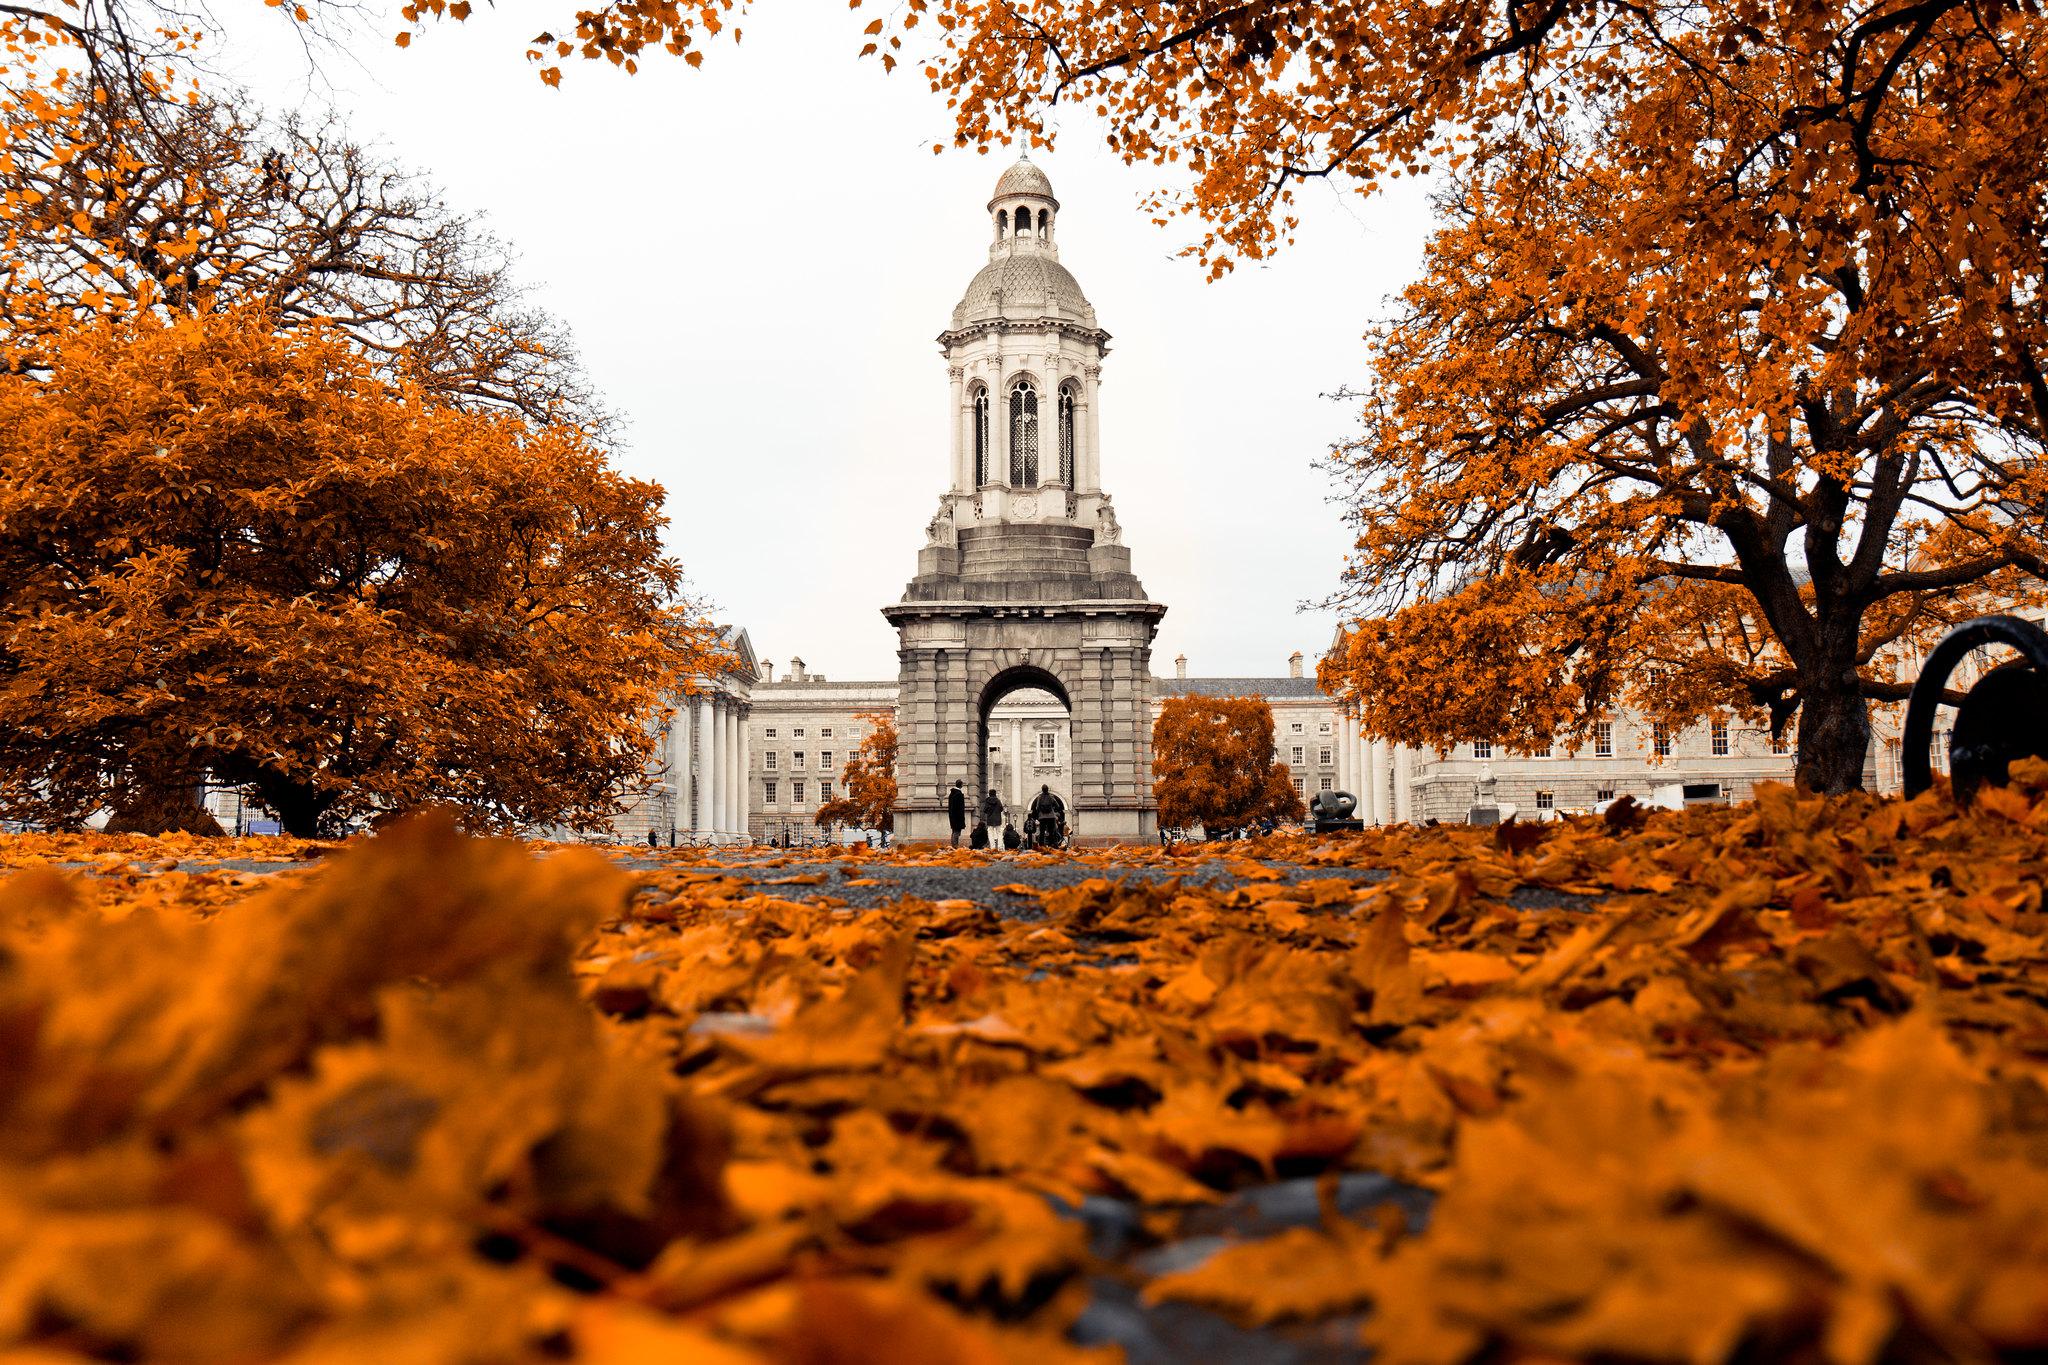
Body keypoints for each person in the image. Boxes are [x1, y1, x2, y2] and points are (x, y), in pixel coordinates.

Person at [1027, 784, 1064, 849]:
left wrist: (1040, 813)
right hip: (1051, 816)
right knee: (1052, 831)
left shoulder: (1039, 797)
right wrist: (1052, 809)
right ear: (1048, 789)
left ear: (1042, 790)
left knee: (1042, 832)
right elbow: (1057, 805)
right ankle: (1053, 845)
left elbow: (1037, 807)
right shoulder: (1051, 796)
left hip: (1042, 817)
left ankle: (1041, 845)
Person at [948, 780, 967, 848]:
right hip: (958, 817)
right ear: (961, 785)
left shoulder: (952, 793)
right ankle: (955, 846)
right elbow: (960, 808)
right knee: (957, 831)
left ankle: (953, 845)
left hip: (953, 816)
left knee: (954, 831)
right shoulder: (958, 794)